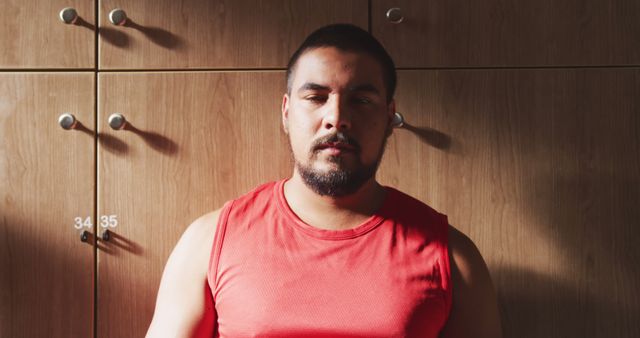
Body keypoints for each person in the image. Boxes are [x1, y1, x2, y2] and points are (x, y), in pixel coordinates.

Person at [146, 24, 501, 338]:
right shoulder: (209, 242)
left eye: (361, 100)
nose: (336, 118)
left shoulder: (453, 257)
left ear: (390, 116)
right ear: (287, 112)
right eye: (316, 98)